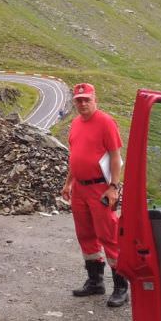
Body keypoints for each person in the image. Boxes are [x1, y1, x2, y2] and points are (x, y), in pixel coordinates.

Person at [60, 82, 129, 307]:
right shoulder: (76, 124)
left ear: (94, 99)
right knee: (85, 234)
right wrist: (68, 183)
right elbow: (75, 157)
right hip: (80, 188)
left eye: (86, 99)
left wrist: (114, 187)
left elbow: (115, 157)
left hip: (100, 188)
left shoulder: (106, 122)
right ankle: (95, 281)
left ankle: (121, 286)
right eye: (78, 100)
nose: (82, 103)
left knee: (109, 235)